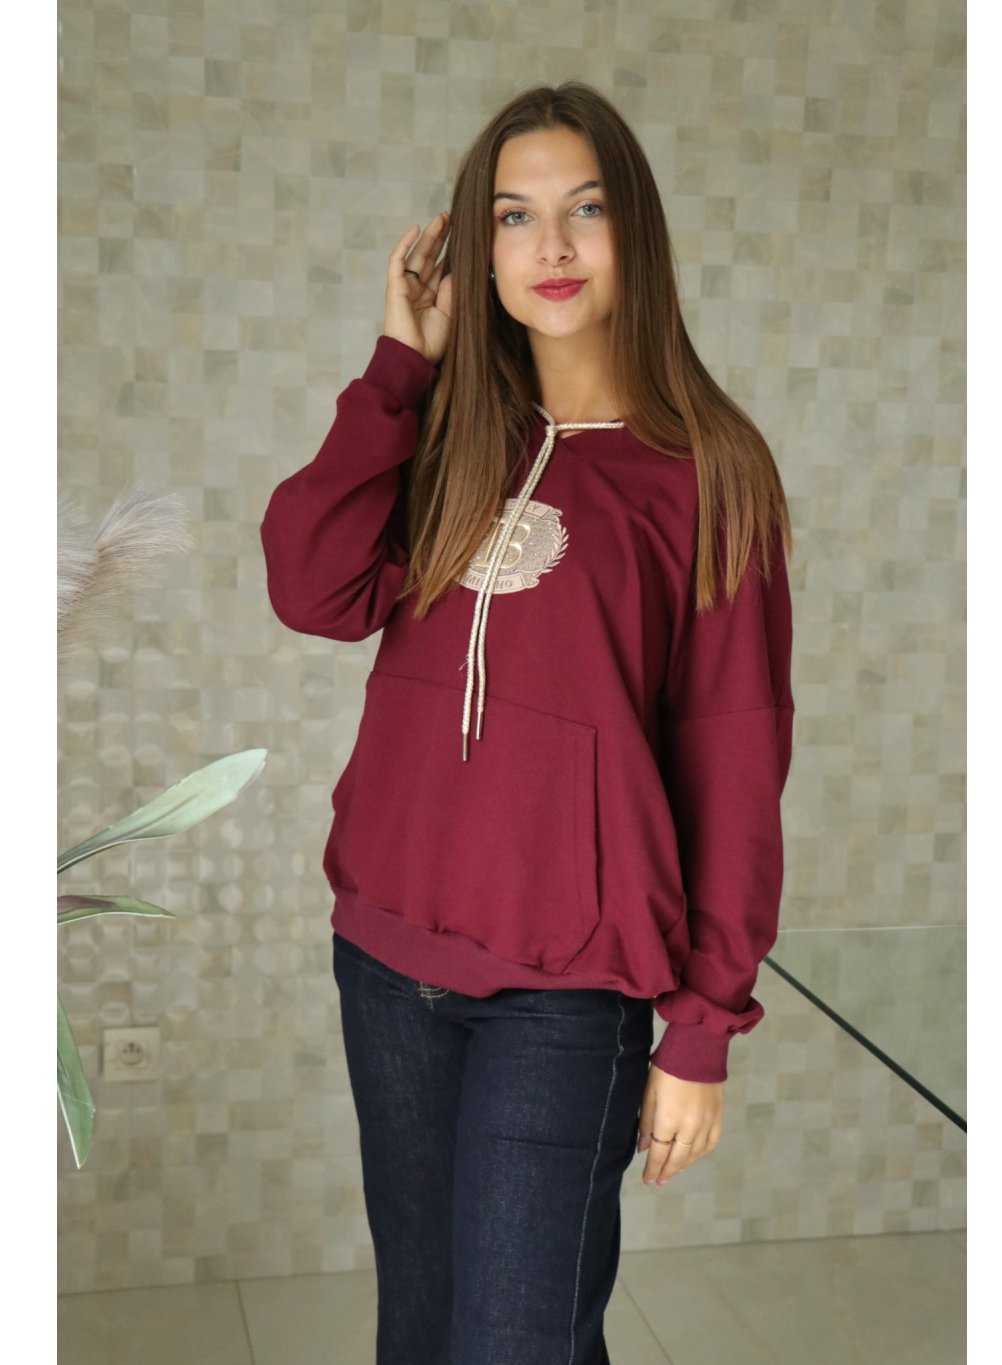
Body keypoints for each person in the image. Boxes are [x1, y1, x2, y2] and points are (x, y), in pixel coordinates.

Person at [261, 80, 794, 1365]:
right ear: (476, 248)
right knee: (422, 1329)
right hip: (385, 962)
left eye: (584, 210)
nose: (550, 246)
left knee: (516, 1340)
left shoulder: (707, 473)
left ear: (634, 232)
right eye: (513, 216)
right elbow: (312, 588)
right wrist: (399, 367)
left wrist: (703, 1027)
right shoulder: (444, 437)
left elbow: (734, 759)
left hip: (565, 993)